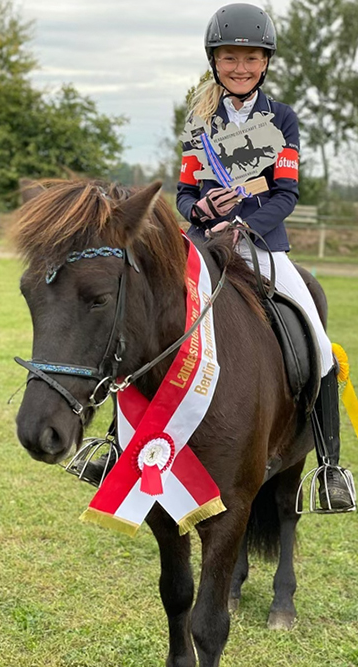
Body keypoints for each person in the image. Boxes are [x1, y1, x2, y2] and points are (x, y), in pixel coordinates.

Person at [177, 3, 353, 511]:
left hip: (262, 245)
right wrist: (203, 207)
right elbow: (184, 194)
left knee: (319, 344)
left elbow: (286, 194)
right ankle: (116, 446)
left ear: (265, 62)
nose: (240, 67)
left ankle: (330, 467)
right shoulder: (200, 121)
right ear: (215, 61)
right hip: (205, 244)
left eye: (250, 58)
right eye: (230, 57)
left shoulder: (282, 119)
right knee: (149, 318)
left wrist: (244, 224)